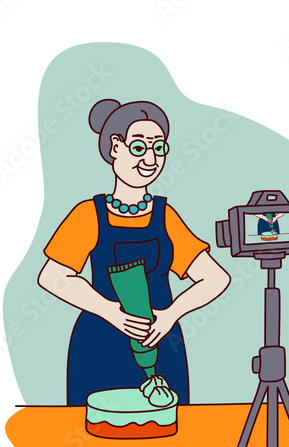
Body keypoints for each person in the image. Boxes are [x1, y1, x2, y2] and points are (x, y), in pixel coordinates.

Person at [38, 99, 230, 406]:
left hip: (160, 341)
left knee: (167, 433)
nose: (151, 159)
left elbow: (215, 278)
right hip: (99, 344)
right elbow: (52, 275)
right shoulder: (89, 214)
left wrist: (170, 316)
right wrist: (110, 311)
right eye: (139, 147)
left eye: (159, 148)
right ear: (115, 147)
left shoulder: (166, 216)